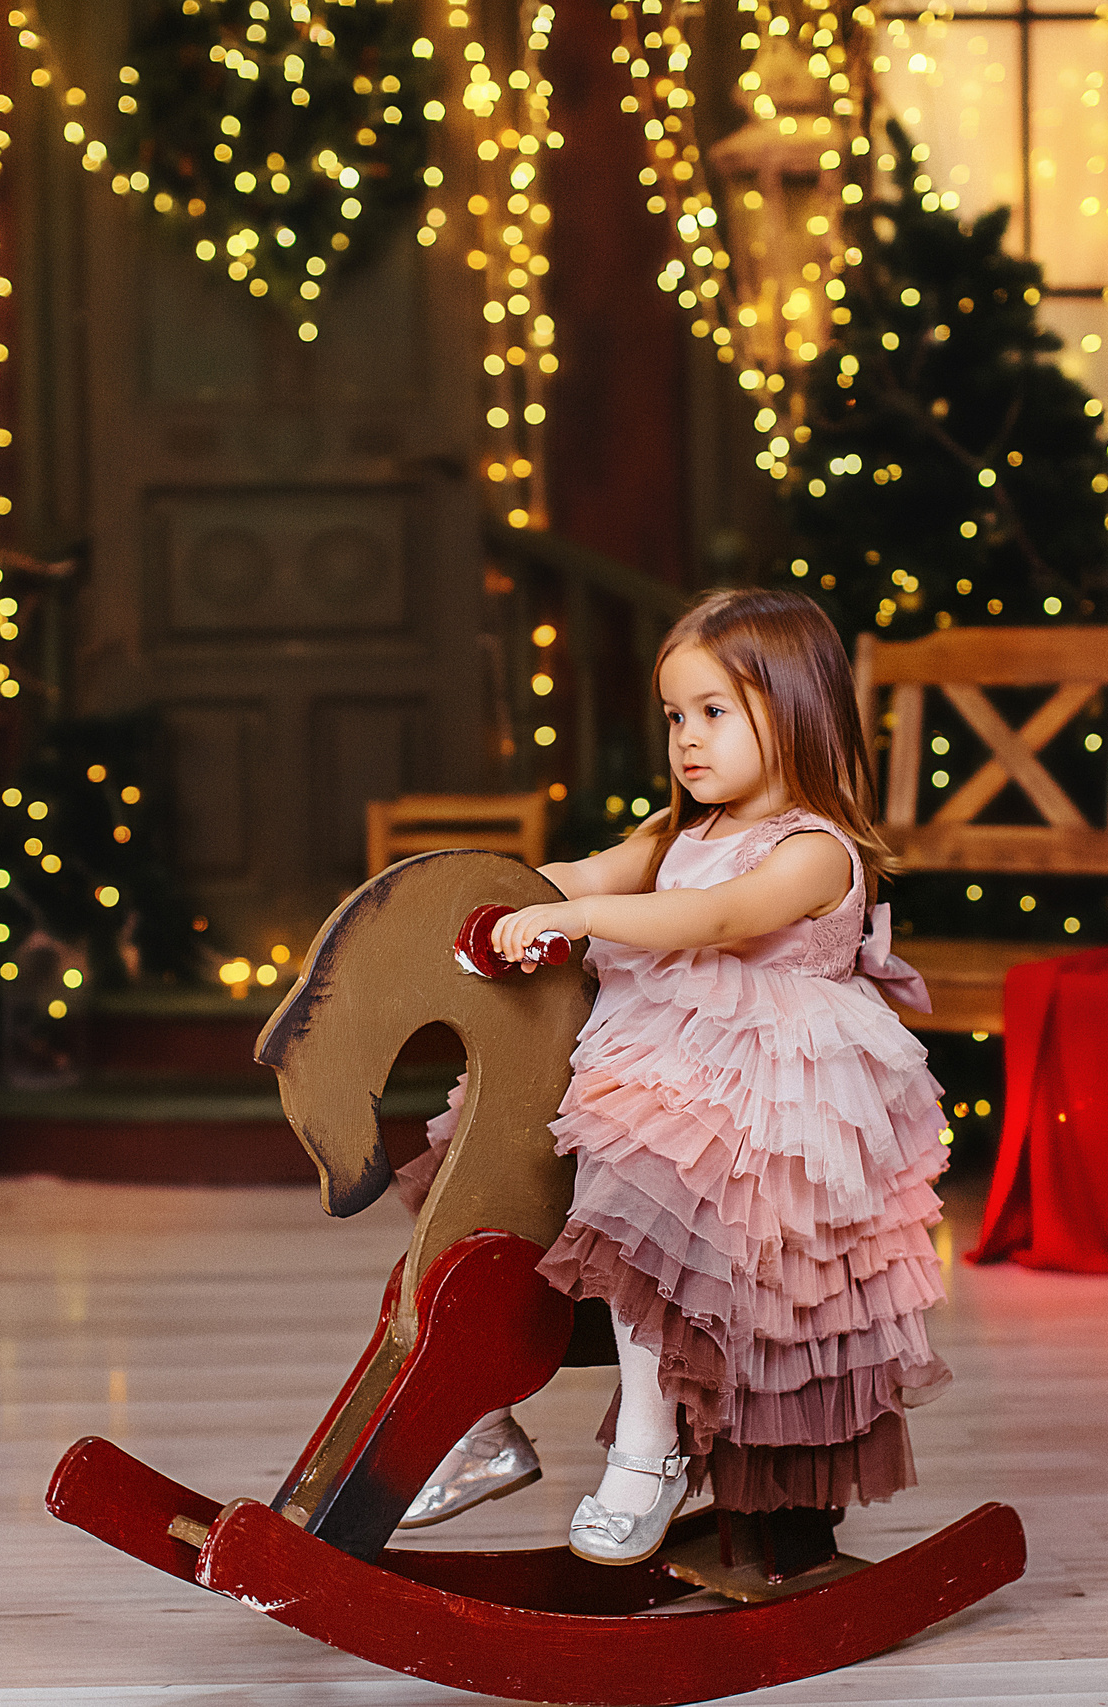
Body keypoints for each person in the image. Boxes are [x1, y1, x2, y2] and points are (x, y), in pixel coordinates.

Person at [394, 587, 953, 1566]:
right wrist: (493, 897)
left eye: (713, 712)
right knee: (486, 1180)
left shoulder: (814, 851)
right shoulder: (675, 832)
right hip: (641, 1080)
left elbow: (714, 920)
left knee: (645, 1212)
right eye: (673, 716)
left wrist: (579, 923)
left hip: (757, 1110)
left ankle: (647, 1456)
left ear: (793, 712)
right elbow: (584, 874)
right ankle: (475, 1418)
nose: (686, 740)